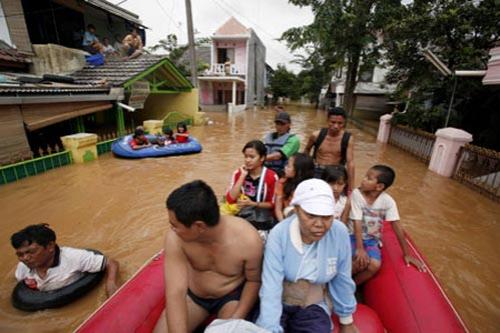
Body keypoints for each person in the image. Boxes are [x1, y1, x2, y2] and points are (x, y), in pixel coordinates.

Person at [153, 180, 263, 333]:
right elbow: (175, 292)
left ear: (199, 226)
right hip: (195, 297)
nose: (172, 229)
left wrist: (235, 320)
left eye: (175, 225)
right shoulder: (175, 239)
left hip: (230, 296)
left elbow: (253, 280)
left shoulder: (248, 240)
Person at [256, 179, 358, 333]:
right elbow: (271, 285)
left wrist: (346, 320)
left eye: (326, 217)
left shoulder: (339, 232)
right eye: (311, 216)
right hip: (281, 301)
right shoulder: (279, 234)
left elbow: (342, 277)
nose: (319, 224)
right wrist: (269, 327)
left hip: (313, 304)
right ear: (297, 210)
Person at [349, 165, 426, 285]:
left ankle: (352, 286)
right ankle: (341, 284)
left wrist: (407, 254)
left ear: (379, 186)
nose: (363, 179)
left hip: (371, 240)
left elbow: (397, 226)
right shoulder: (356, 194)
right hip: (353, 236)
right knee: (355, 261)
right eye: (365, 176)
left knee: (375, 265)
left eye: (368, 178)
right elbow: (356, 221)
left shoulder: (388, 201)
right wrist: (360, 248)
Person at [11, 224, 119, 297]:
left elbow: (111, 263)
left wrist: (111, 282)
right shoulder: (22, 267)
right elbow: (19, 284)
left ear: (50, 246)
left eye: (31, 252)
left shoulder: (74, 257)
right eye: (20, 254)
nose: (25, 258)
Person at [226, 140, 278, 236]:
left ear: (262, 158)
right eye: (246, 157)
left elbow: (272, 204)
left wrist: (252, 204)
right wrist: (242, 176)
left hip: (262, 221)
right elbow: (230, 199)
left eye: (252, 157)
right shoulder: (238, 173)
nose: (247, 160)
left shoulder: (271, 176)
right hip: (241, 218)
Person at [303, 107, 355, 192]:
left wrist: (351, 186)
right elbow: (306, 151)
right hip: (317, 170)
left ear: (344, 123)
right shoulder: (316, 135)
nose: (336, 126)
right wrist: (305, 170)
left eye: (340, 123)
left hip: (335, 173)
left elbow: (350, 162)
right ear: (327, 120)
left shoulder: (348, 139)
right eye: (333, 122)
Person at [274, 153, 315, 221]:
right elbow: (278, 209)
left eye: (289, 166)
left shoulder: (311, 186)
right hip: (286, 218)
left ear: (299, 171)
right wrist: (283, 224)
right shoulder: (282, 183)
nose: (285, 167)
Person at [263, 111, 301, 176]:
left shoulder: (294, 140)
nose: (279, 127)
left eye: (282, 124)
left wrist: (259, 159)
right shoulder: (268, 137)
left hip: (282, 173)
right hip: (266, 171)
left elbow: (278, 156)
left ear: (289, 124)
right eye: (277, 124)